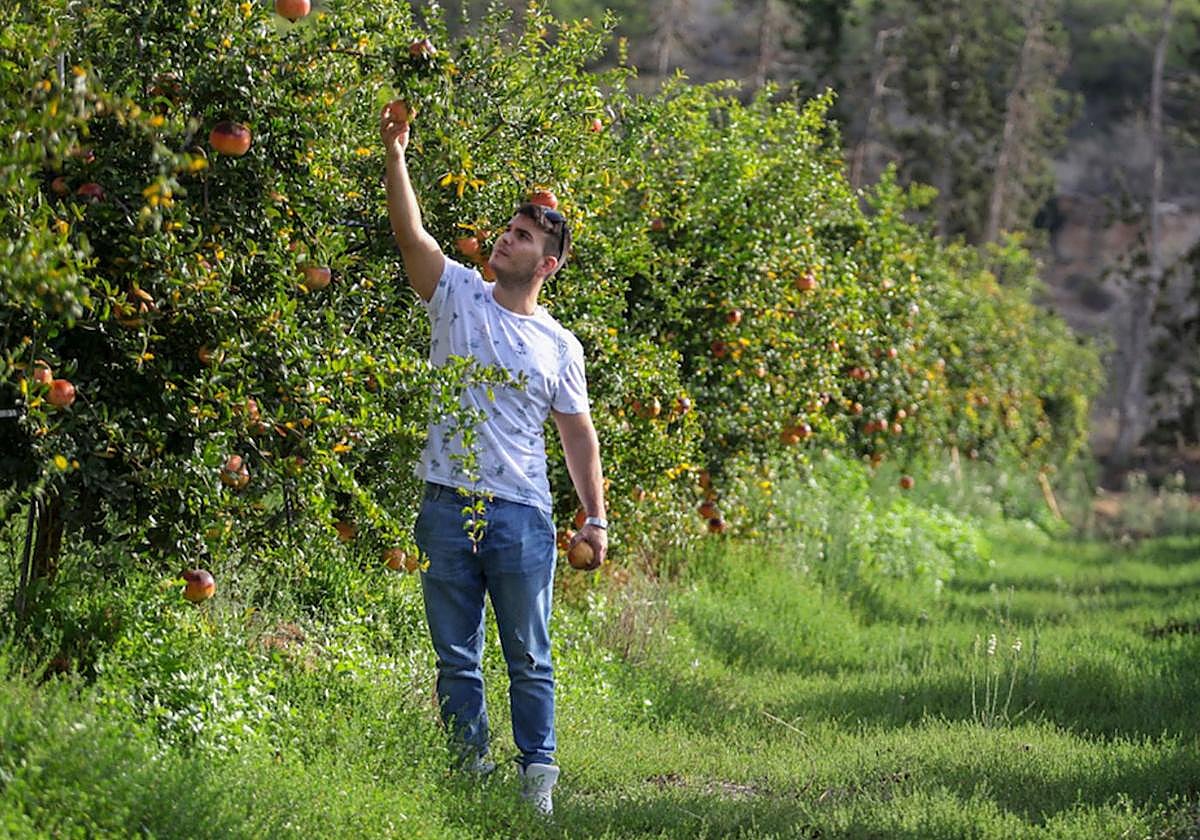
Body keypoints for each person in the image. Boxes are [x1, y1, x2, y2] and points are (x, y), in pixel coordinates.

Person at [380, 100, 608, 816]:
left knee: (529, 657)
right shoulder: (455, 294)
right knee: (455, 657)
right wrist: (395, 155)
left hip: (520, 514)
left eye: (519, 237)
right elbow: (409, 233)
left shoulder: (558, 346)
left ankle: (537, 775)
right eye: (507, 229)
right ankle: (468, 769)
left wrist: (595, 517)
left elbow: (577, 434)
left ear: (545, 264)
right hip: (445, 501)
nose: (503, 241)